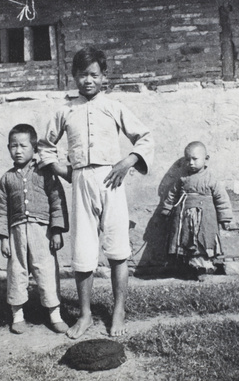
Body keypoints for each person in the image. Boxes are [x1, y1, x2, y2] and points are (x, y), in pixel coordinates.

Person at [38, 46, 154, 339]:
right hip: (81, 182)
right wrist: (66, 173)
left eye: (94, 75)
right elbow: (45, 147)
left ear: (104, 77)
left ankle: (118, 311)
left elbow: (144, 137)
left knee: (117, 249)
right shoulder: (66, 110)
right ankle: (86, 314)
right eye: (81, 75)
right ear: (73, 77)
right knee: (83, 250)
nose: (87, 80)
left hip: (110, 180)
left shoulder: (113, 107)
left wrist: (127, 162)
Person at [0, 124, 69, 334]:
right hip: (16, 232)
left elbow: (57, 201)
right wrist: (4, 238)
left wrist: (56, 230)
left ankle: (55, 314)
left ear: (34, 148)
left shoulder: (46, 173)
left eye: (23, 146)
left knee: (46, 270)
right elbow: (1, 210)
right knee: (17, 271)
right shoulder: (7, 179)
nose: (18, 151)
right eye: (13, 146)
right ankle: (17, 315)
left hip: (41, 231)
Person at [161, 141, 232, 280]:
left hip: (205, 219)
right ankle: (188, 268)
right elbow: (172, 195)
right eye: (187, 160)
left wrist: (225, 218)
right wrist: (167, 209)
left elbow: (221, 199)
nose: (191, 163)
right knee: (185, 241)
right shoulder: (182, 179)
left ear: (206, 159)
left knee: (202, 242)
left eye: (195, 159)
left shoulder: (211, 180)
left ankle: (203, 269)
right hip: (184, 218)